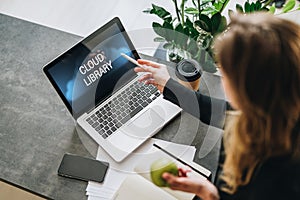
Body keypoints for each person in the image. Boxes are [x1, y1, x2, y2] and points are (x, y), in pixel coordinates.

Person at [134, 13, 300, 200]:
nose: (222, 82)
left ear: (248, 89)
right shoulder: (279, 111)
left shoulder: (270, 183)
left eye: (226, 72)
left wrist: (211, 195)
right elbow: (224, 113)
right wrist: (170, 86)